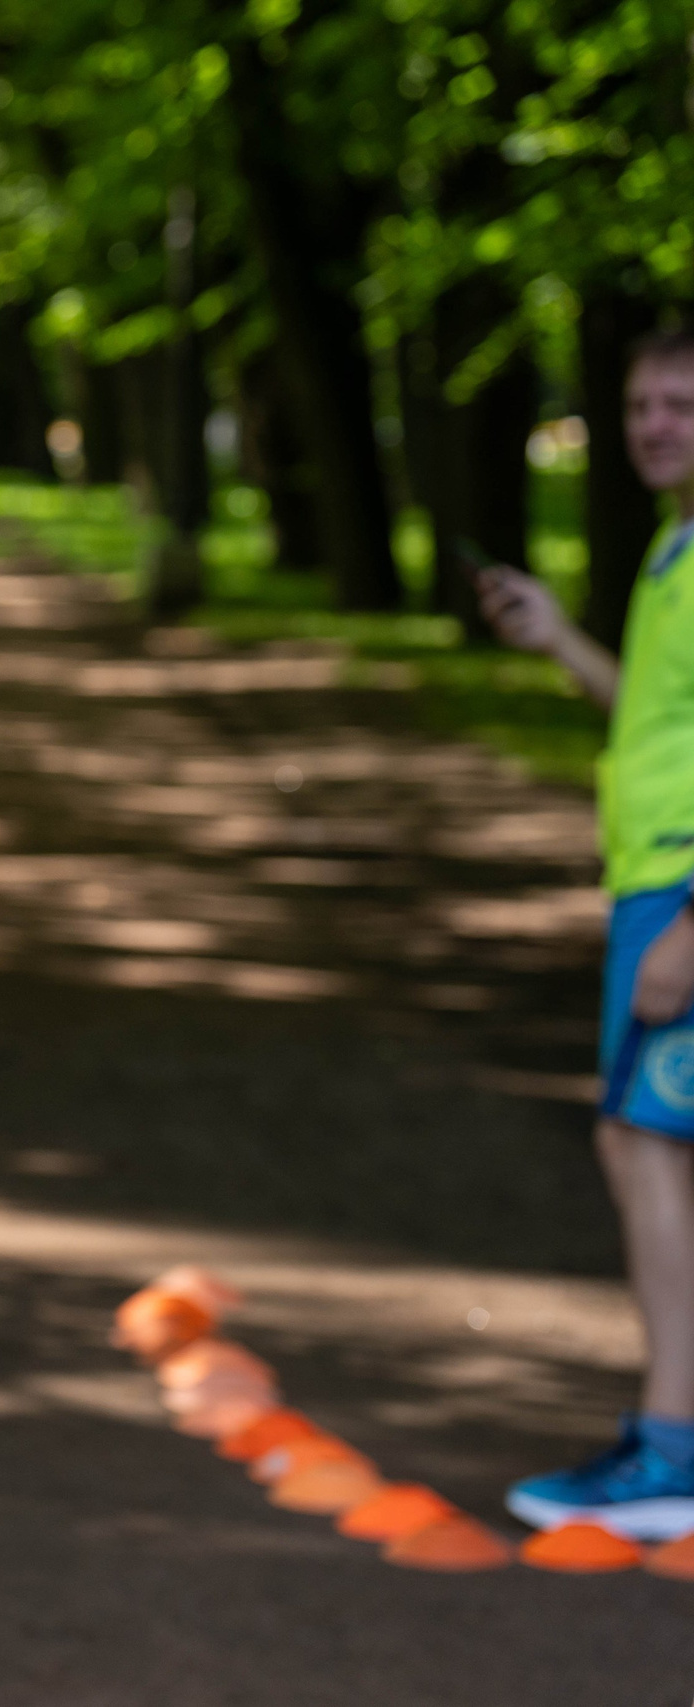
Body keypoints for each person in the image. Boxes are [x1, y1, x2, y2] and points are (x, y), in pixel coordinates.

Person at [482, 328, 694, 1541]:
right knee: (649, 1143)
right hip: (650, 884)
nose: (655, 422)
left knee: (642, 1144)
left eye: (680, 403)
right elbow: (664, 726)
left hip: (676, 896)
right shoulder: (673, 547)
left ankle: (669, 1450)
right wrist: (560, 639)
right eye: (638, 403)